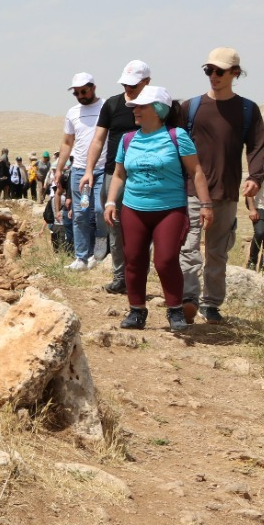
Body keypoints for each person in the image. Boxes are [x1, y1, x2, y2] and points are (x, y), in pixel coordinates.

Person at [105, 85, 213, 331]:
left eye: (141, 106)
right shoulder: (127, 139)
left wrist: (206, 205)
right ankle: (136, 311)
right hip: (134, 208)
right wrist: (111, 201)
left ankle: (175, 310)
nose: (135, 110)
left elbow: (196, 172)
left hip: (170, 209)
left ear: (158, 109)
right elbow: (119, 174)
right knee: (133, 259)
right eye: (134, 106)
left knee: (165, 260)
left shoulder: (177, 136)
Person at [176, 47, 264, 324]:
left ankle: (211, 304)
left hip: (227, 192)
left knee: (217, 252)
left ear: (235, 73)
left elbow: (256, 146)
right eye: (208, 70)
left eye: (219, 71)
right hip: (191, 190)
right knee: (188, 248)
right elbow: (175, 145)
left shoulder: (247, 110)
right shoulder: (190, 108)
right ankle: (188, 299)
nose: (212, 76)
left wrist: (254, 177)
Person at [83, 61, 151, 296]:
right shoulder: (112, 104)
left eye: (134, 85)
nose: (128, 88)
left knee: (144, 227)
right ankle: (120, 277)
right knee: (115, 226)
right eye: (125, 84)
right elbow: (99, 139)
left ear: (147, 82)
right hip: (115, 173)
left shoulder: (156, 104)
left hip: (146, 173)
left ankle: (139, 277)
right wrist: (89, 170)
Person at [54, 72, 104, 270]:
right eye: (76, 93)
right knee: (81, 213)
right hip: (79, 171)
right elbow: (67, 142)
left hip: (101, 170)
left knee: (100, 211)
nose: (81, 96)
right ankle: (82, 257)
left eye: (83, 91)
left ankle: (100, 251)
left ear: (93, 88)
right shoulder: (72, 112)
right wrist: (59, 169)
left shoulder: (105, 107)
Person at [248, 178, 264, 271]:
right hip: (260, 208)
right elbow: (249, 189)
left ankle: (263, 270)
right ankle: (251, 264)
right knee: (260, 232)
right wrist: (252, 209)